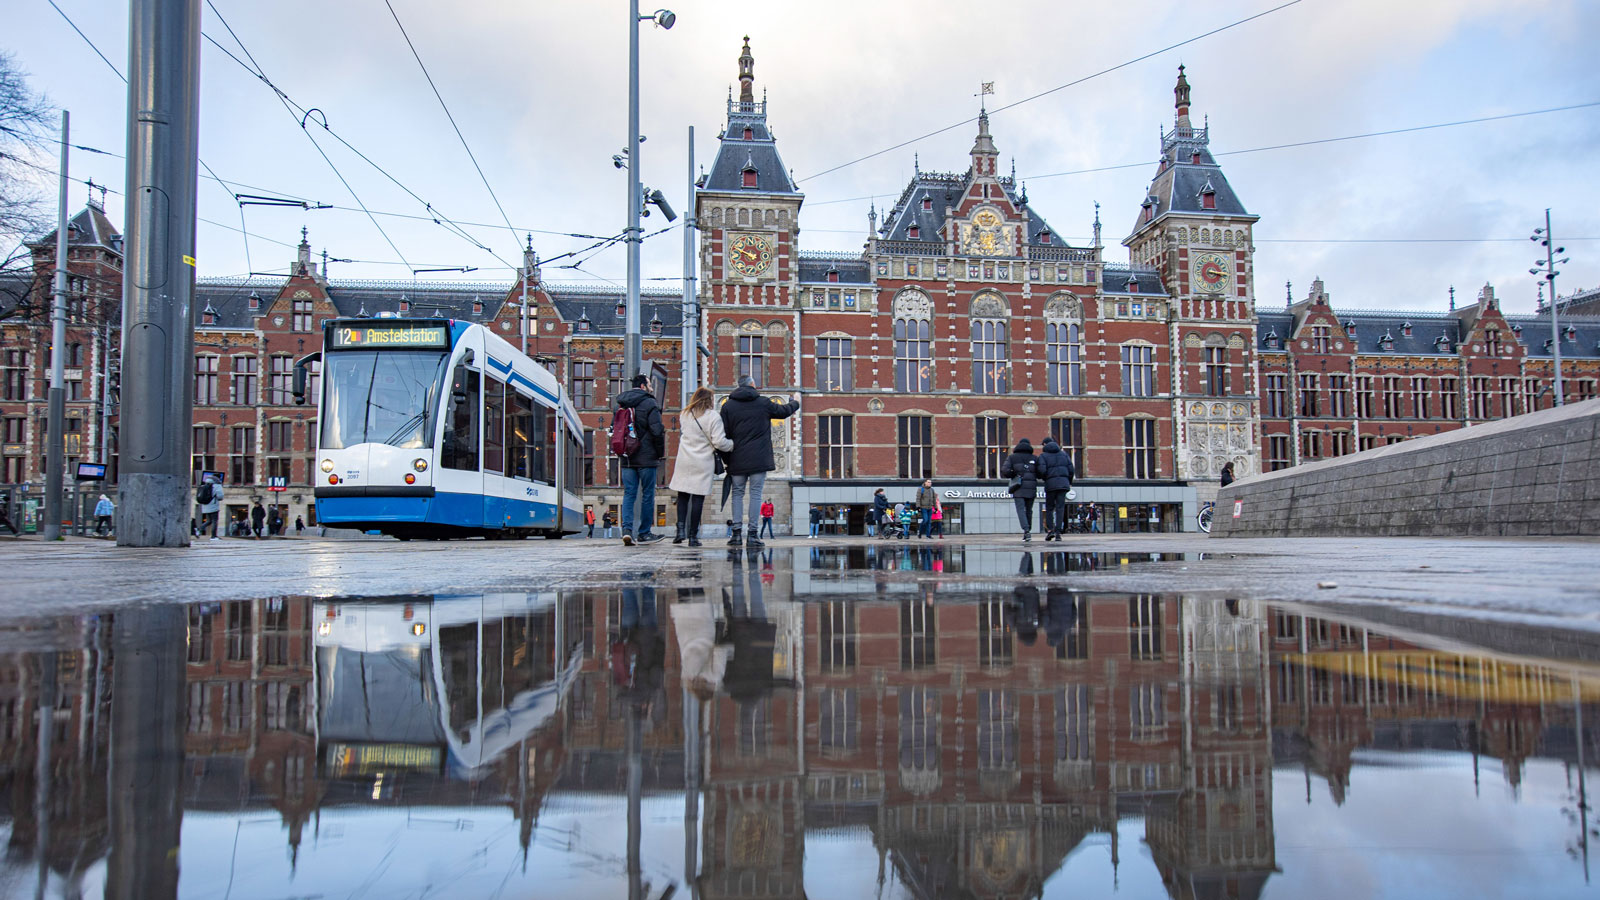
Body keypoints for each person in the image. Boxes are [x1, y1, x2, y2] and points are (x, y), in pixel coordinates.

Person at [720, 375, 800, 549]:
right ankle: (753, 535)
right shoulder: (763, 403)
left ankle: (735, 534)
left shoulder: (727, 407)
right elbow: (784, 411)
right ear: (753, 385)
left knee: (737, 494)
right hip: (759, 458)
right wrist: (796, 402)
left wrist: (727, 460)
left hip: (736, 459)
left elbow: (723, 435)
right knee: (756, 494)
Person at [668, 386, 733, 548]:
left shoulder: (685, 414)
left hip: (684, 459)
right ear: (708, 400)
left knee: (682, 495)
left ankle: (680, 531)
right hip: (702, 461)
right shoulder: (713, 417)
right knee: (698, 499)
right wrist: (732, 445)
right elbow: (719, 442)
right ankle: (693, 536)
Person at [616, 374, 667, 545]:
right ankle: (644, 533)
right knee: (647, 494)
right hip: (646, 457)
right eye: (650, 385)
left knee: (629, 493)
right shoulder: (650, 403)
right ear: (644, 386)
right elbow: (657, 431)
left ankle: (627, 530)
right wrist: (659, 452)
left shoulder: (621, 404)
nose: (652, 388)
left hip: (627, 458)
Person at [1000, 438, 1040, 541]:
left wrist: (1014, 475)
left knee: (1020, 509)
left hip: (1018, 487)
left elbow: (1005, 470)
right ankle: (1028, 530)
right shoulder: (1034, 458)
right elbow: (1040, 472)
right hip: (1031, 487)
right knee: (1029, 510)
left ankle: (1026, 531)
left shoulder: (1012, 458)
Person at [1037, 437, 1076, 542]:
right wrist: (1069, 482)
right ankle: (1058, 532)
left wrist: (1046, 478)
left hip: (1050, 485)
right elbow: (1071, 470)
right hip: (1063, 485)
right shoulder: (1064, 455)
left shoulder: (1043, 456)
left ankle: (1050, 530)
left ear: (1045, 444)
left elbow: (1042, 470)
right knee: (1060, 508)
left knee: (1049, 508)